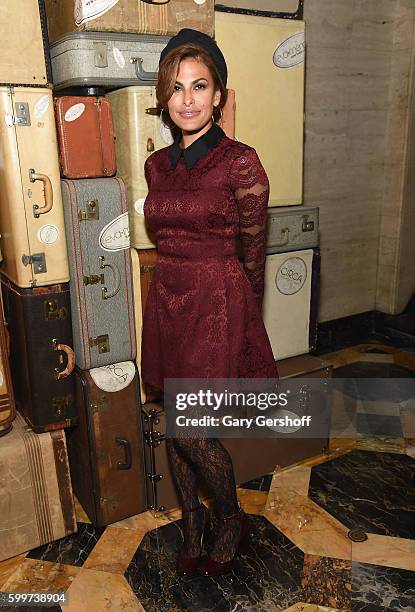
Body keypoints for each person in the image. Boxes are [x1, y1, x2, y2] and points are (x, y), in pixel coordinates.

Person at [141, 28, 279, 577]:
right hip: (168, 298)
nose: (189, 99)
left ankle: (230, 515)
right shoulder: (156, 165)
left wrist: (242, 316)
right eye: (177, 88)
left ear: (219, 94)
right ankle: (192, 521)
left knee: (191, 426)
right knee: (176, 416)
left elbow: (255, 251)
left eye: (200, 86)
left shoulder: (240, 162)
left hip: (216, 300)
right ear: (164, 97)